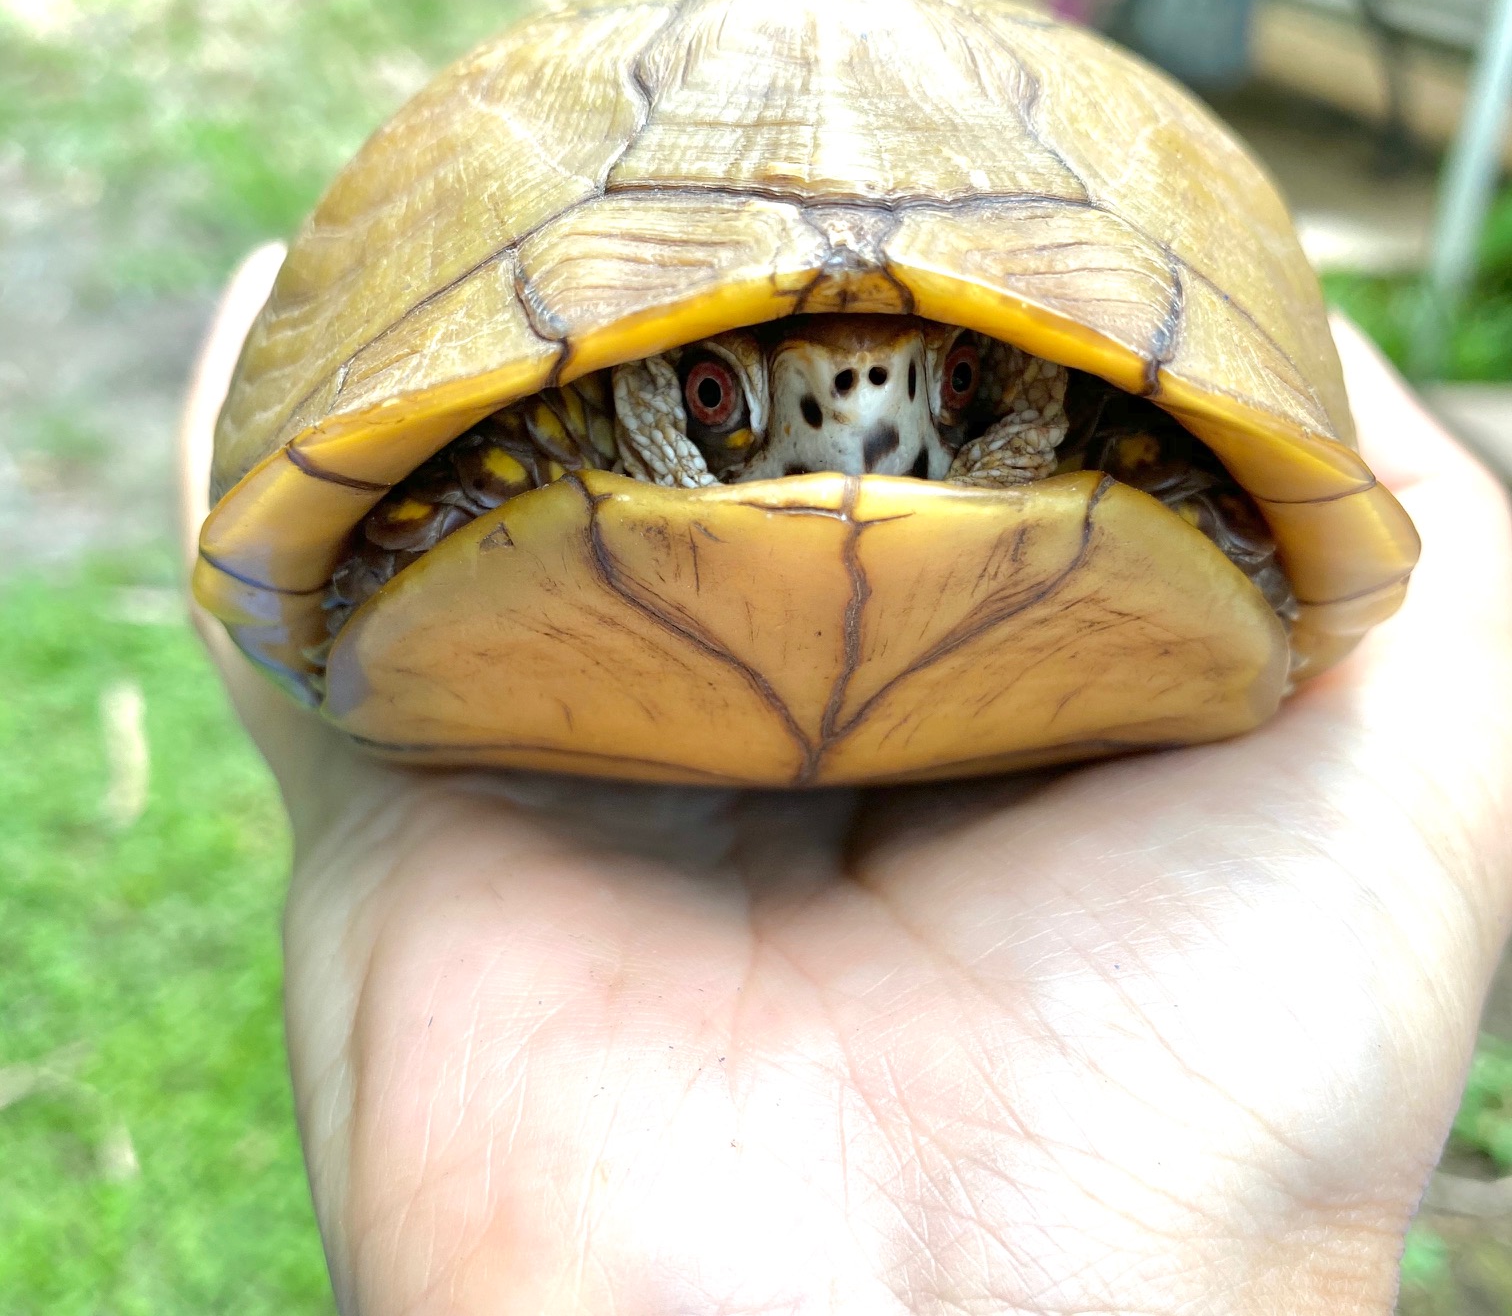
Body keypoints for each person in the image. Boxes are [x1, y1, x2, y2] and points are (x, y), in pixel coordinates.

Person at [183, 246, 1512, 1314]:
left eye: (944, 388)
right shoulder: (584, 424)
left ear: (1000, 388)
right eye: (724, 398)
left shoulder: (1087, 431)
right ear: (676, 395)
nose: (863, 433)